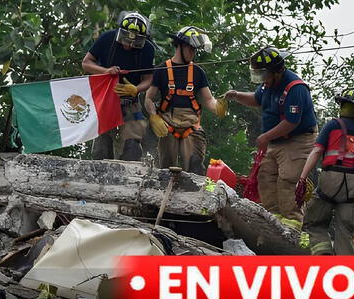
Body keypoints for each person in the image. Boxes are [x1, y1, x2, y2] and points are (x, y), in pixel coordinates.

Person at [224, 46, 317, 222]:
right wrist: (236, 95)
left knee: (287, 181)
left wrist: (266, 137)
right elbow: (256, 99)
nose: (262, 80)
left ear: (277, 71)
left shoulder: (295, 88)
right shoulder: (268, 85)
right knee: (265, 177)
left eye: (263, 75)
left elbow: (291, 122)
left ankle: (292, 223)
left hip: (297, 140)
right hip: (275, 140)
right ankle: (273, 219)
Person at [296, 89, 354, 255]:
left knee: (315, 222)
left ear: (342, 106)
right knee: (345, 230)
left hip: (331, 179)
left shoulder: (333, 126)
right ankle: (345, 271)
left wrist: (302, 178)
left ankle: (323, 256)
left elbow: (316, 152)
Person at [144, 26, 227, 174]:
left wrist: (217, 107)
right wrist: (153, 116)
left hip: (191, 124)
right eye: (191, 49)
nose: (193, 53)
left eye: (195, 50)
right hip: (167, 124)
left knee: (195, 167)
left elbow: (208, 99)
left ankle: (196, 194)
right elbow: (148, 98)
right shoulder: (162, 69)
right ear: (180, 46)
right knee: (166, 170)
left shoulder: (198, 72)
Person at [82, 11, 155, 161]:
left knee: (133, 146)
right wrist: (106, 71)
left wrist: (136, 89)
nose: (129, 44)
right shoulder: (107, 38)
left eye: (134, 42)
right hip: (106, 100)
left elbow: (148, 79)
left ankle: (128, 178)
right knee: (101, 146)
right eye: (126, 39)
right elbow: (86, 63)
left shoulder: (147, 49)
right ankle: (99, 177)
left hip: (131, 102)